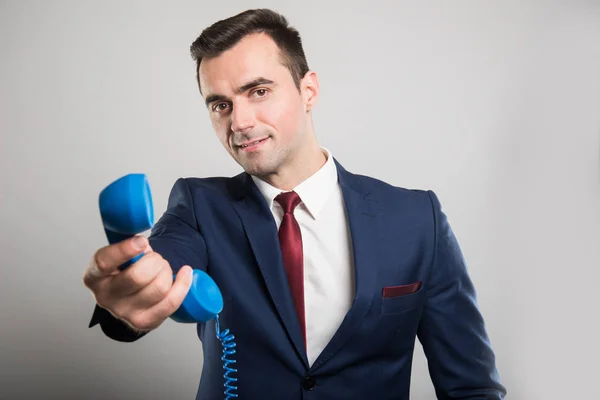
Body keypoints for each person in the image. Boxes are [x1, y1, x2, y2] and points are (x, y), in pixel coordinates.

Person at [83, 8, 507, 399]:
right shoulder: (198, 205)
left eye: (259, 91)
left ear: (308, 91)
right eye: (220, 104)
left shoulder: (417, 220)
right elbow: (163, 265)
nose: (240, 121)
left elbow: (471, 387)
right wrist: (131, 292)